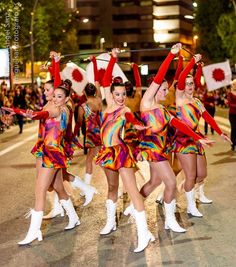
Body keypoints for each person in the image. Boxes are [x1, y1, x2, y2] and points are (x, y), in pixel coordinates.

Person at [124, 44, 213, 232]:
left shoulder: (163, 109)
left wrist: (199, 137)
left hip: (162, 150)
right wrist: (171, 55)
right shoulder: (147, 102)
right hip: (153, 150)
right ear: (155, 89)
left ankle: (134, 205)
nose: (167, 92)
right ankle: (170, 219)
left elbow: (179, 125)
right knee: (171, 182)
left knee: (154, 182)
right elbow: (158, 78)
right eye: (164, 89)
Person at [96, 48, 155, 253]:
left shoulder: (125, 110)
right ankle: (110, 222)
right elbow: (104, 80)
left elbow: (131, 119)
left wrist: (138, 125)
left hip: (120, 152)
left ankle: (144, 232)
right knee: (112, 188)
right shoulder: (108, 105)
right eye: (117, 94)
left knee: (132, 191)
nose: (121, 97)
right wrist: (112, 59)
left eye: (123, 94)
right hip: (106, 152)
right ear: (111, 93)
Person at [174, 54, 232, 215]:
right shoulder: (180, 99)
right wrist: (192, 61)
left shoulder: (197, 102)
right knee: (191, 175)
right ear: (181, 86)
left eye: (192, 83)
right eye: (186, 84)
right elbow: (182, 77)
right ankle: (191, 206)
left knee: (202, 174)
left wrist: (221, 133)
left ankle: (188, 189)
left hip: (197, 139)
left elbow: (208, 118)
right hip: (184, 139)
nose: (189, 86)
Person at [74, 56, 102, 188]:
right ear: (95, 91)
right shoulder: (99, 100)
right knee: (102, 158)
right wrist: (94, 62)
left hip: (91, 135)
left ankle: (86, 185)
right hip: (101, 133)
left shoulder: (83, 107)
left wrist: (73, 136)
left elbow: (79, 123)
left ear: (84, 93)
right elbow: (97, 80)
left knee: (90, 159)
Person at [226, 79, 236, 151]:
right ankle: (233, 143)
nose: (234, 85)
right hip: (232, 114)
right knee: (234, 128)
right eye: (234, 84)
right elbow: (229, 103)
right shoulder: (230, 93)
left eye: (235, 84)